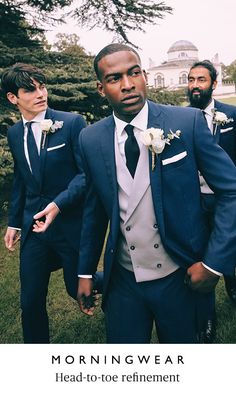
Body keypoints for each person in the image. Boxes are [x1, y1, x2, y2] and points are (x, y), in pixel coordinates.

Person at [76, 43, 236, 344]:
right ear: (101, 88)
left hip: (179, 276)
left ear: (144, 75)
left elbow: (232, 191)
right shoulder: (90, 138)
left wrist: (214, 263)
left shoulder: (184, 124)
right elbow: (94, 210)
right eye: (114, 78)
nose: (128, 85)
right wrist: (85, 271)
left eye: (134, 73)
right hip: (123, 279)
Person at [1, 63, 101, 343]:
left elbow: (86, 175)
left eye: (41, 86)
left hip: (69, 224)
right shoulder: (13, 134)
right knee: (30, 300)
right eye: (30, 89)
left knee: (76, 289)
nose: (40, 93)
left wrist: (58, 205)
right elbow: (22, 179)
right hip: (34, 228)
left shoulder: (70, 123)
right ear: (13, 98)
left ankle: (118, 282)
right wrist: (14, 223)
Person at [187, 60, 236, 342]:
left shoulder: (231, 115)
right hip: (194, 202)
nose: (195, 85)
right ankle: (206, 323)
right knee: (200, 257)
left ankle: (231, 279)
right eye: (191, 79)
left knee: (227, 246)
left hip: (226, 199)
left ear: (214, 84)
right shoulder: (178, 121)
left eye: (201, 80)